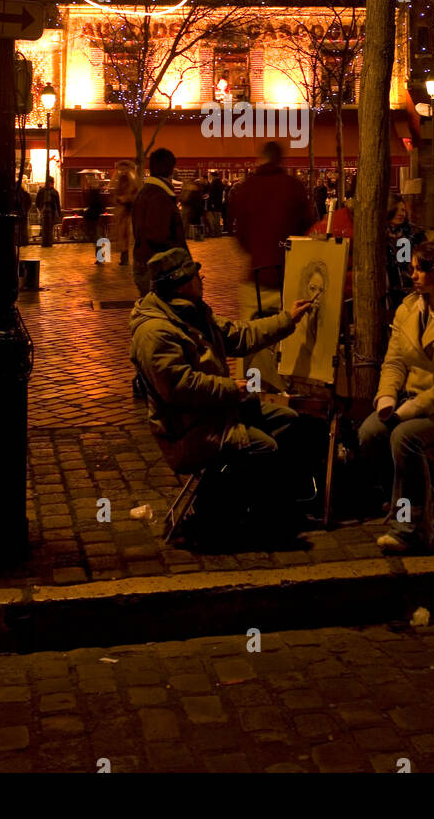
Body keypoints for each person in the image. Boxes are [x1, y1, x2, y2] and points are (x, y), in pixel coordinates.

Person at [130, 248, 316, 538]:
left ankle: (269, 504)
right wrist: (230, 389)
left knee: (287, 419)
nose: (201, 278)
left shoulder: (192, 313)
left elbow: (239, 335)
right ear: (181, 283)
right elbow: (178, 388)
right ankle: (222, 514)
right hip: (187, 428)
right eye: (196, 275)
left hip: (214, 412)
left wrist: (288, 319)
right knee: (264, 446)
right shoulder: (156, 331)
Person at [358, 239, 434, 552]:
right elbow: (394, 361)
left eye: (421, 269)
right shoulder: (408, 310)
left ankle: (410, 529)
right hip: (408, 402)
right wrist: (386, 398)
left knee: (404, 437)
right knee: (369, 432)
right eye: (412, 268)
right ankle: (399, 501)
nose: (413, 275)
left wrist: (416, 406)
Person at [229, 142, 316, 390]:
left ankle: (249, 386)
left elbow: (239, 232)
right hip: (286, 273)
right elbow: (304, 228)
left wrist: (256, 251)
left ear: (260, 159)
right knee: (288, 332)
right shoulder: (293, 187)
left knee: (248, 336)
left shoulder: (246, 188)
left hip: (254, 275)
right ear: (281, 160)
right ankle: (284, 387)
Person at [132, 148, 189, 296]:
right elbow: (159, 237)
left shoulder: (145, 193)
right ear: (170, 169)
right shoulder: (160, 197)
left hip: (146, 263)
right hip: (159, 270)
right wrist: (182, 260)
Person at [386, 196, 426, 306]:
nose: (401, 214)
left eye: (403, 210)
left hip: (411, 285)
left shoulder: (415, 233)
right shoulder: (380, 235)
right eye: (397, 209)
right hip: (388, 287)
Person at [108, 163, 138, 265]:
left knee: (125, 233)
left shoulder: (131, 180)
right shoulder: (122, 180)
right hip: (122, 209)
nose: (122, 172)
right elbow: (111, 187)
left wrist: (123, 198)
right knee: (122, 233)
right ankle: (123, 257)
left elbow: (133, 191)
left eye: (124, 169)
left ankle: (125, 257)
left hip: (126, 209)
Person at [205, 172, 224, 237]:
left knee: (213, 219)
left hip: (214, 205)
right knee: (217, 219)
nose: (210, 177)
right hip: (217, 204)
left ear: (213, 176)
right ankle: (218, 232)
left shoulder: (215, 183)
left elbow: (213, 194)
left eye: (210, 176)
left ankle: (215, 232)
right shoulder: (219, 183)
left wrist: (212, 203)